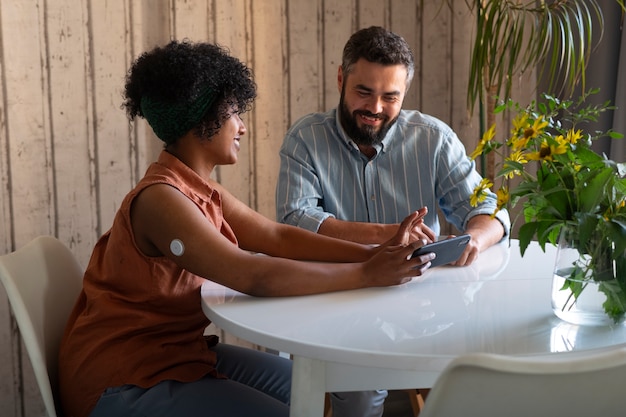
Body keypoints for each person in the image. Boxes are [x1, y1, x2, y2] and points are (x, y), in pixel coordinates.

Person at [57, 40, 434, 417]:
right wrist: (368, 273)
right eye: (235, 113)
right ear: (202, 118)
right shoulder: (161, 200)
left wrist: (375, 254)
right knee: (296, 408)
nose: (243, 127)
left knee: (306, 389)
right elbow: (253, 274)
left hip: (177, 357)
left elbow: (276, 237)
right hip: (122, 381)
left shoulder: (199, 189)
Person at [275, 26, 511, 416]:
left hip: (425, 307)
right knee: (362, 395)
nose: (376, 108)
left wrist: (473, 239)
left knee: (483, 380)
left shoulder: (433, 138)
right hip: (336, 300)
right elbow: (294, 220)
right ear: (340, 79)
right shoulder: (305, 140)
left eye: (390, 97)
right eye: (363, 92)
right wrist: (391, 235)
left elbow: (491, 209)